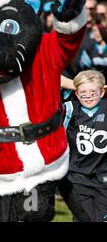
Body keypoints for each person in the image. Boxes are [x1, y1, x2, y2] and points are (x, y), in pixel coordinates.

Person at [59, 70, 107, 222]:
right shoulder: (70, 109)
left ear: (102, 91)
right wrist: (76, 85)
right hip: (78, 178)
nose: (88, 96)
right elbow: (50, 77)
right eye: (83, 93)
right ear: (77, 93)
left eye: (93, 92)